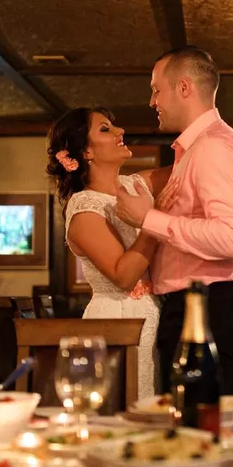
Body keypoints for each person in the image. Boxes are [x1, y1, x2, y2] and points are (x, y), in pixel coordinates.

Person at [115, 46, 233, 396]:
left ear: (183, 88)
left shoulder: (213, 147)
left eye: (155, 89)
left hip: (209, 302)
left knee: (197, 424)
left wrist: (147, 219)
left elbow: (231, 239)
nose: (152, 101)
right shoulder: (195, 149)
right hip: (204, 300)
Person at [46, 106, 171, 399]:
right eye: (105, 129)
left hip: (152, 319)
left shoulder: (134, 185)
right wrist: (153, 220)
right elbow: (124, 275)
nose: (120, 132)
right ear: (86, 152)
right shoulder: (85, 209)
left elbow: (189, 168)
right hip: (117, 322)